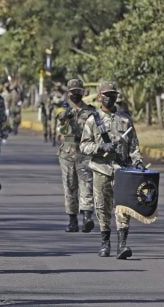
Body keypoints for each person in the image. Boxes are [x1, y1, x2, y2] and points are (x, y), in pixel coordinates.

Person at [80, 81, 144, 259]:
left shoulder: (125, 119)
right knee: (102, 207)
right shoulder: (93, 120)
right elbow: (84, 146)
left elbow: (134, 145)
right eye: (106, 94)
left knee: (123, 207)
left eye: (113, 94)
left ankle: (122, 244)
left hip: (123, 170)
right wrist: (101, 148)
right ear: (100, 96)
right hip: (101, 169)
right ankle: (105, 242)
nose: (110, 98)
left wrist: (137, 161)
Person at [56, 79, 96, 233]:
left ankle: (87, 218)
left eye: (78, 91)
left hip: (85, 152)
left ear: (83, 92)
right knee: (70, 186)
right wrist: (64, 117)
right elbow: (61, 130)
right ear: (68, 93)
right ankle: (72, 220)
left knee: (86, 184)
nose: (76, 94)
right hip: (67, 153)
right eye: (73, 92)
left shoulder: (91, 112)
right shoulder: (63, 112)